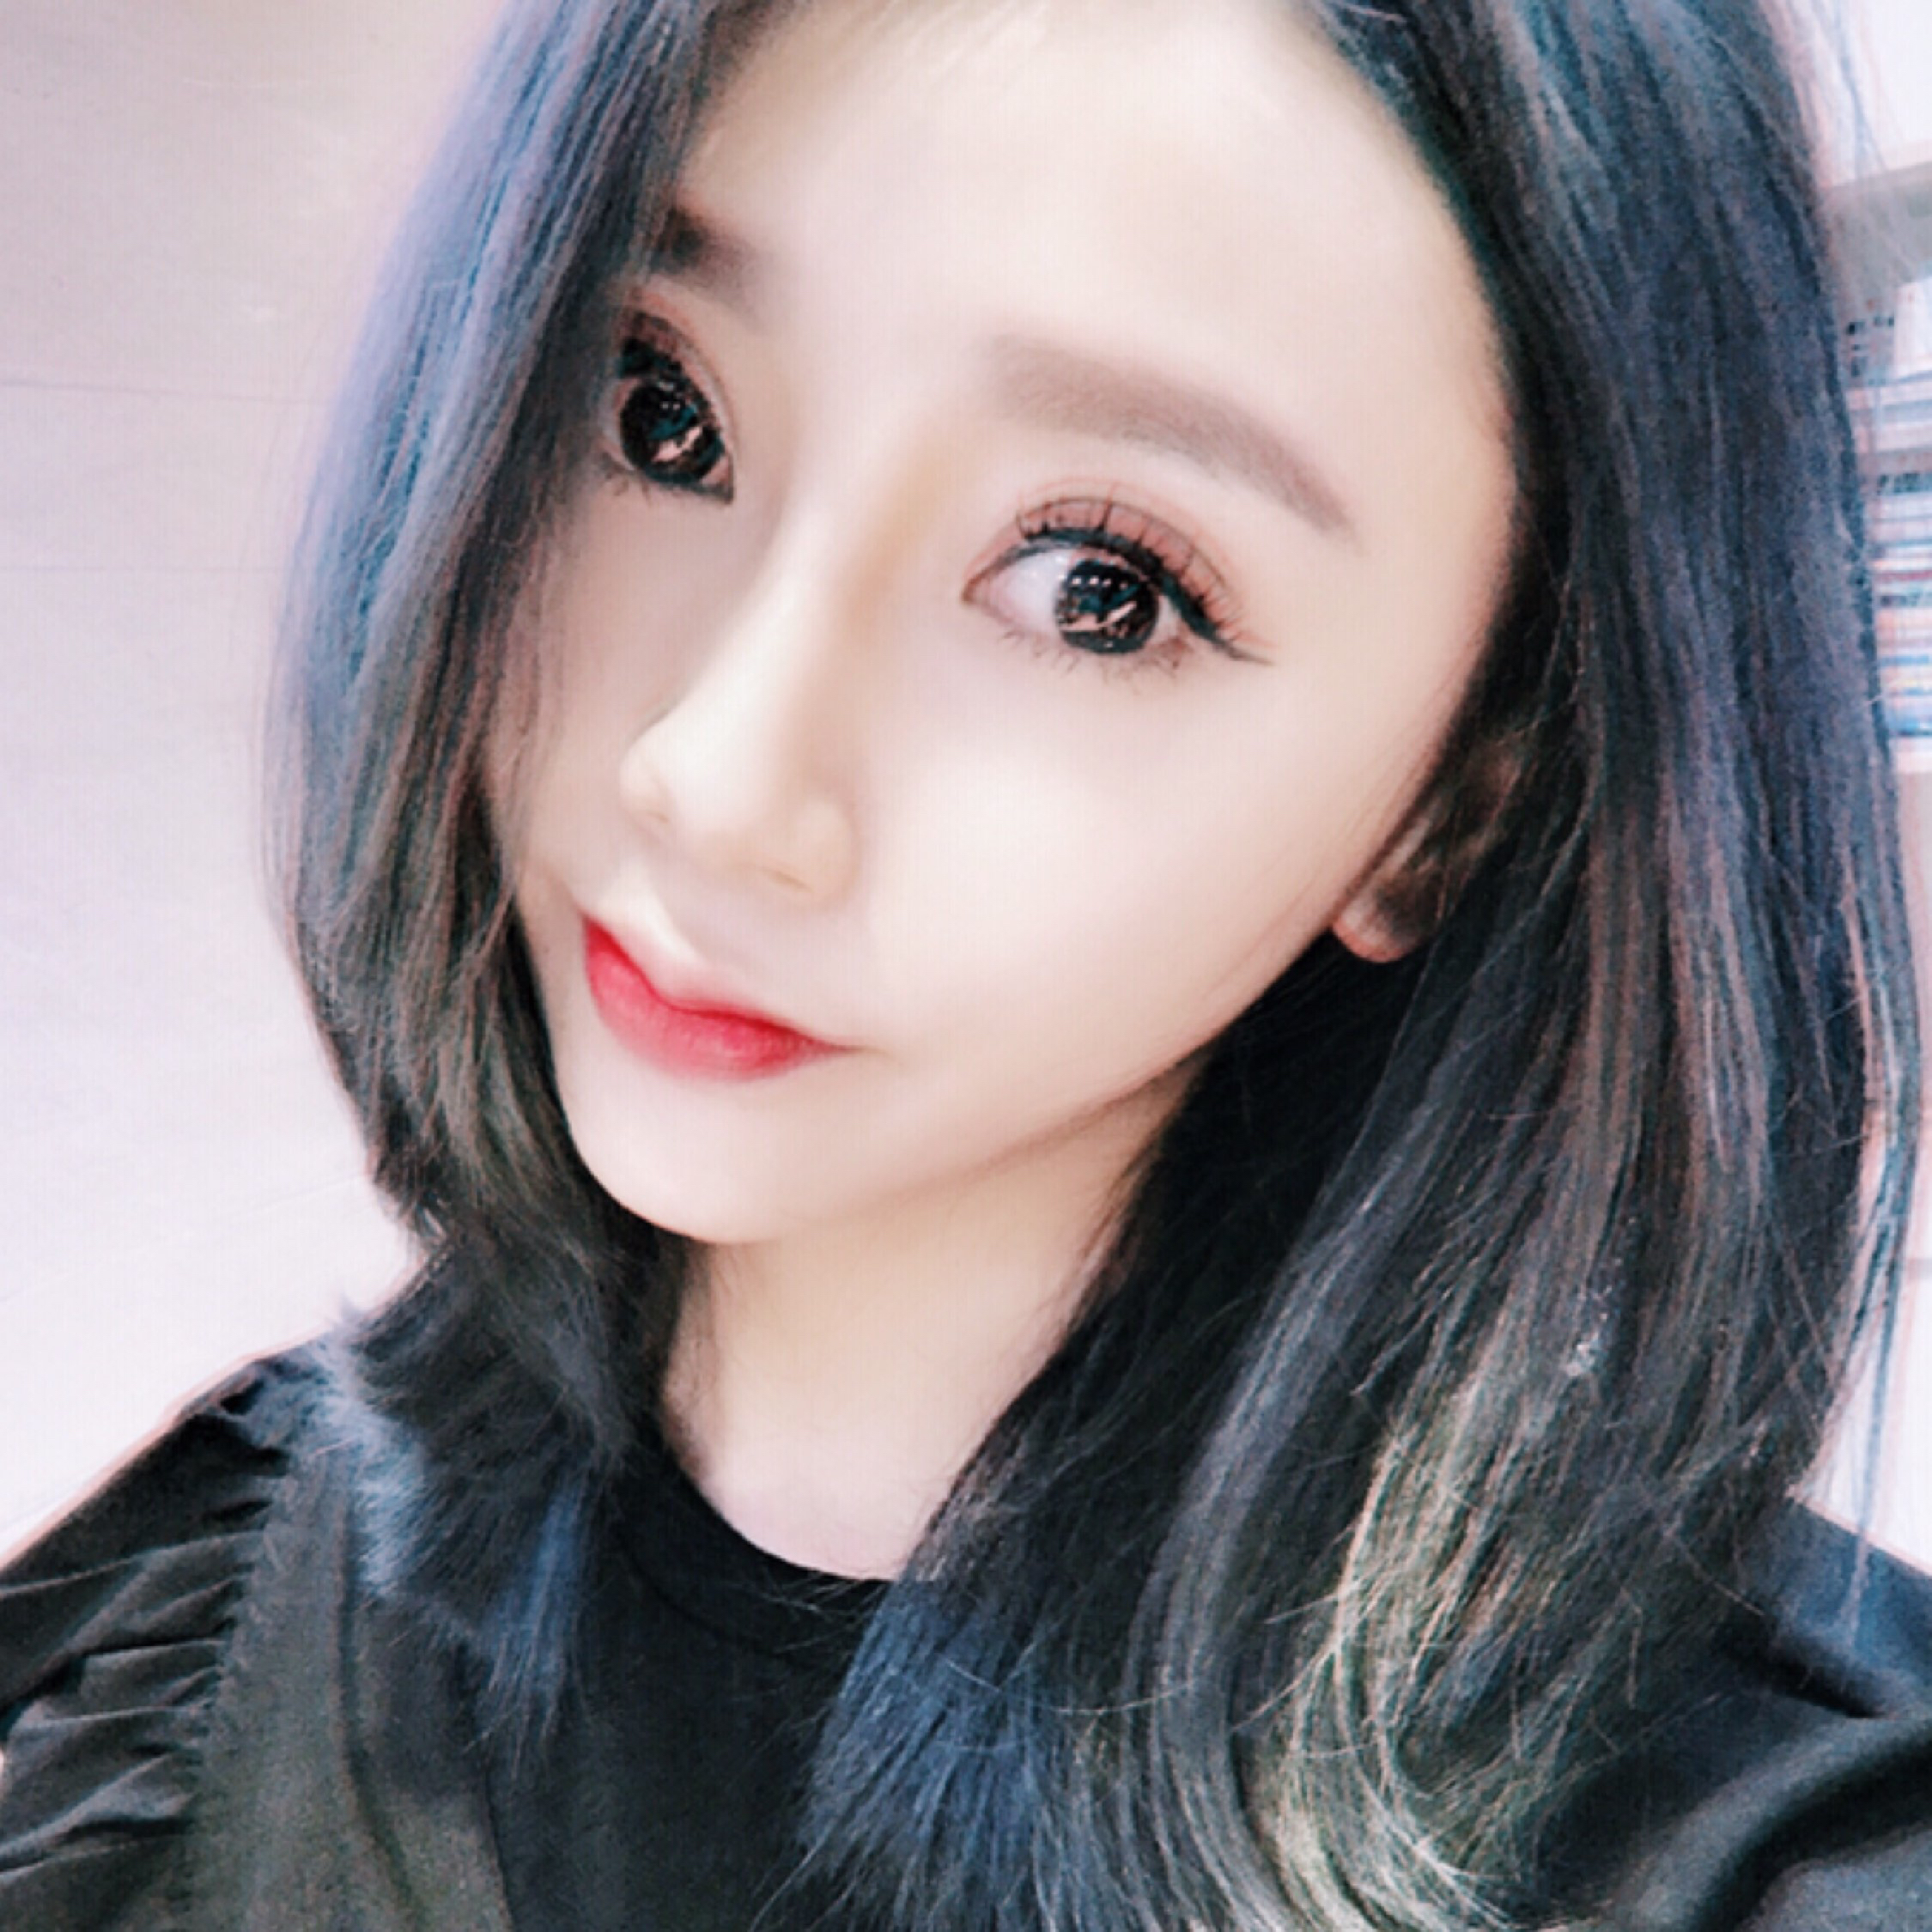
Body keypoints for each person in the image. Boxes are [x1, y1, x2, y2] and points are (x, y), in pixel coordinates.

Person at [3, 0, 1930, 1925]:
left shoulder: (1783, 1852)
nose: (718, 778)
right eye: (658, 411)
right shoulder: (205, 1633)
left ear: (1454, 804)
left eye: (1101, 592)